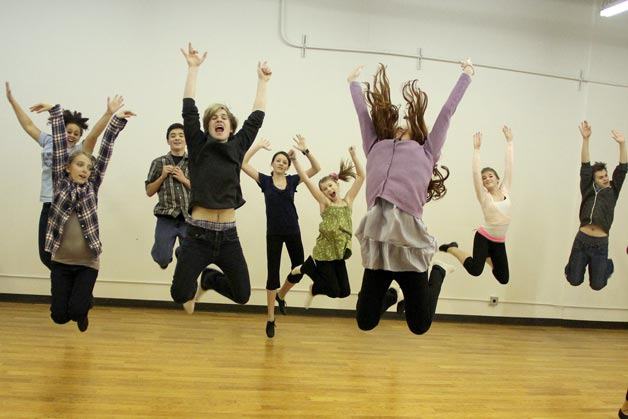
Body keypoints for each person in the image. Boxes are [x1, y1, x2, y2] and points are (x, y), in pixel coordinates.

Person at [349, 60, 474, 335]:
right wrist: (353, 84)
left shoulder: (427, 150)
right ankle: (389, 297)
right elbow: (362, 115)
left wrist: (466, 76)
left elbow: (446, 113)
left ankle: (438, 272)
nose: (400, 129)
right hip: (380, 244)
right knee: (365, 322)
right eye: (397, 128)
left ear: (416, 132)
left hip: (409, 244)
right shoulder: (375, 145)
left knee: (419, 325)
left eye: (406, 128)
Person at [170, 43, 271, 314]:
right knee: (178, 293)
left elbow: (257, 117)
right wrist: (193, 69)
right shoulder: (198, 143)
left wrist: (262, 81)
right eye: (214, 117)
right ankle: (189, 263)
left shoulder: (237, 146)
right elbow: (188, 109)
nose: (219, 119)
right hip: (198, 234)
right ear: (207, 126)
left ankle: (210, 279)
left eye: (224, 117)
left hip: (228, 237)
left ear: (231, 126)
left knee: (242, 295)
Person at [30, 97, 132, 331]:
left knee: (76, 311)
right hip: (61, 263)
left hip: (87, 262)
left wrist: (115, 122)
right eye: (80, 165)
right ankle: (77, 303)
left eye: (88, 167)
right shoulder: (58, 186)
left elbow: (104, 151)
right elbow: (57, 144)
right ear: (67, 167)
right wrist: (56, 113)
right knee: (59, 317)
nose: (85, 170)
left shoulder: (91, 188)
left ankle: (83, 307)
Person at [6, 82, 120, 269]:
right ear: (61, 129)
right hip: (49, 203)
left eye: (76, 133)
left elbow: (93, 136)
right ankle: (66, 283)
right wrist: (12, 102)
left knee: (71, 252)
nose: (72, 135)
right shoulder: (49, 141)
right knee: (46, 255)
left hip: (72, 204)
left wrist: (108, 114)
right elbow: (28, 125)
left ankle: (77, 288)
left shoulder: (80, 150)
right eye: (69, 131)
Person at [241, 135, 320, 337]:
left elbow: (316, 169)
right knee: (272, 275)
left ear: (288, 166)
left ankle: (281, 295)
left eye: (285, 162)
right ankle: (270, 318)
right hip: (274, 234)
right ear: (273, 163)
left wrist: (303, 152)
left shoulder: (293, 180)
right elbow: (242, 163)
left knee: (300, 269)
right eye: (279, 161)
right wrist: (257, 145)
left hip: (293, 230)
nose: (282, 164)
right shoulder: (265, 181)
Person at [288, 146, 365, 309]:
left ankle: (313, 286)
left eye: (330, 186)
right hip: (324, 253)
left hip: (338, 253)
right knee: (332, 290)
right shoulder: (325, 203)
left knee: (344, 292)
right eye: (324, 189)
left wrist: (354, 156)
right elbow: (306, 180)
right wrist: (296, 159)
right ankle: (307, 267)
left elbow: (360, 177)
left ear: (336, 185)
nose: (328, 190)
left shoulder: (347, 201)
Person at [439, 127, 514, 284]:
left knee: (503, 279)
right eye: (484, 178)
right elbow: (475, 173)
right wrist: (477, 150)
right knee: (475, 270)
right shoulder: (484, 197)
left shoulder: (506, 190)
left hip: (499, 241)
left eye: (490, 176)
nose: (487, 179)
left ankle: (487, 256)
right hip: (484, 238)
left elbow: (509, 167)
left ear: (498, 178)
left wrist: (509, 142)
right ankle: (452, 248)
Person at [564, 121, 626, 290]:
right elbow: (585, 166)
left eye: (606, 175)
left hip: (600, 244)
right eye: (601, 177)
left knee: (598, 285)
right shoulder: (588, 189)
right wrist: (585, 140)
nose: (605, 178)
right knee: (574, 280)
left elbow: (622, 168)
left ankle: (608, 266)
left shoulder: (613, 190)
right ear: (594, 180)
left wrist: (622, 144)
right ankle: (572, 266)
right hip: (582, 241)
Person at [145, 123, 190, 269]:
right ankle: (162, 256)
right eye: (173, 135)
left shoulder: (194, 162)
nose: (177, 138)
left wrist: (184, 179)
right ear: (168, 140)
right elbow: (149, 191)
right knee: (162, 258)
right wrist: (162, 176)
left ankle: (188, 288)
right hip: (166, 217)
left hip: (189, 217)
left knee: (190, 258)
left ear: (186, 139)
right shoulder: (158, 162)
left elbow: (203, 191)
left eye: (181, 135)